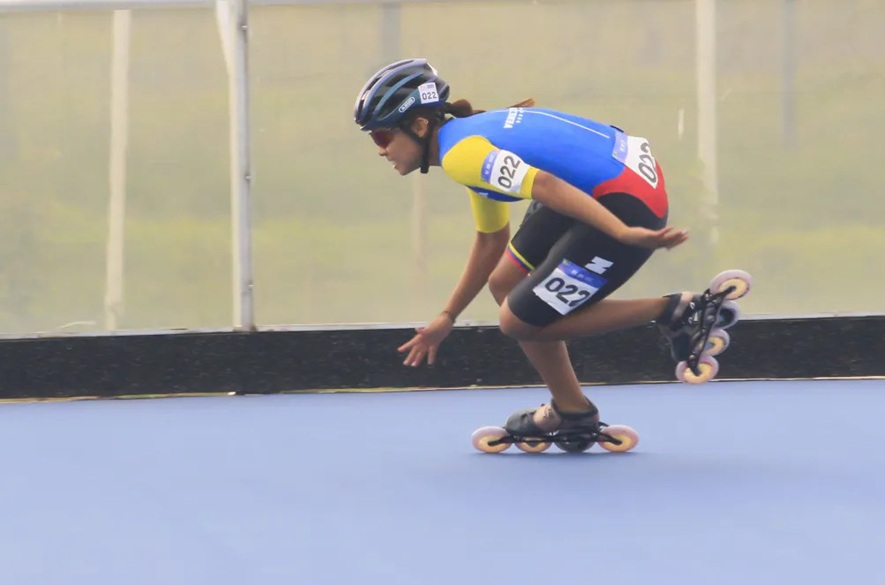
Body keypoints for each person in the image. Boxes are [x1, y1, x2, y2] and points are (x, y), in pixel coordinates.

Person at [353, 58, 700, 438]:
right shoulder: (465, 140)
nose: (381, 150)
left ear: (419, 127)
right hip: (616, 179)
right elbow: (490, 241)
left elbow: (547, 186)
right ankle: (573, 411)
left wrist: (622, 232)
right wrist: (448, 317)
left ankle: (676, 311)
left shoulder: (460, 157)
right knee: (504, 283)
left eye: (382, 137)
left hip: (625, 202)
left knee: (516, 321)